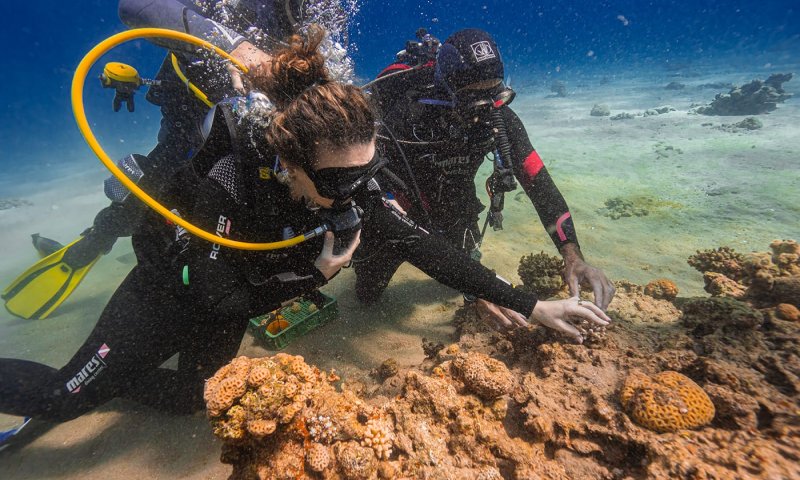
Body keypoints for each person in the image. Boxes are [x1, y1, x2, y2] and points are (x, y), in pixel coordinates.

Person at [0, 27, 611, 423]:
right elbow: (220, 301)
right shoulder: (230, 188)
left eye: (368, 173)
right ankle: (97, 380)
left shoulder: (352, 182)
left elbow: (423, 248)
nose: (358, 195)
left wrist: (532, 305)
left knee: (192, 400)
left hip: (238, 292)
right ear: (289, 164)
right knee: (64, 401)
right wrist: (314, 273)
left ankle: (122, 379)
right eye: (341, 181)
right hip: (174, 291)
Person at [6, 0, 350, 320]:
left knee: (275, 207)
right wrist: (233, 45)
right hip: (192, 122)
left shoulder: (312, 8)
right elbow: (137, 6)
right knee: (152, 197)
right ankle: (98, 238)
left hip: (257, 137)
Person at [356, 28, 616, 326]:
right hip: (395, 215)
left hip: (454, 209)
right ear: (448, 88)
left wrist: (573, 256)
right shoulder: (405, 119)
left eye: (493, 92)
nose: (486, 108)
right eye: (474, 97)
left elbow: (540, 185)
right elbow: (372, 189)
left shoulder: (500, 119)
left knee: (451, 290)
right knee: (366, 295)